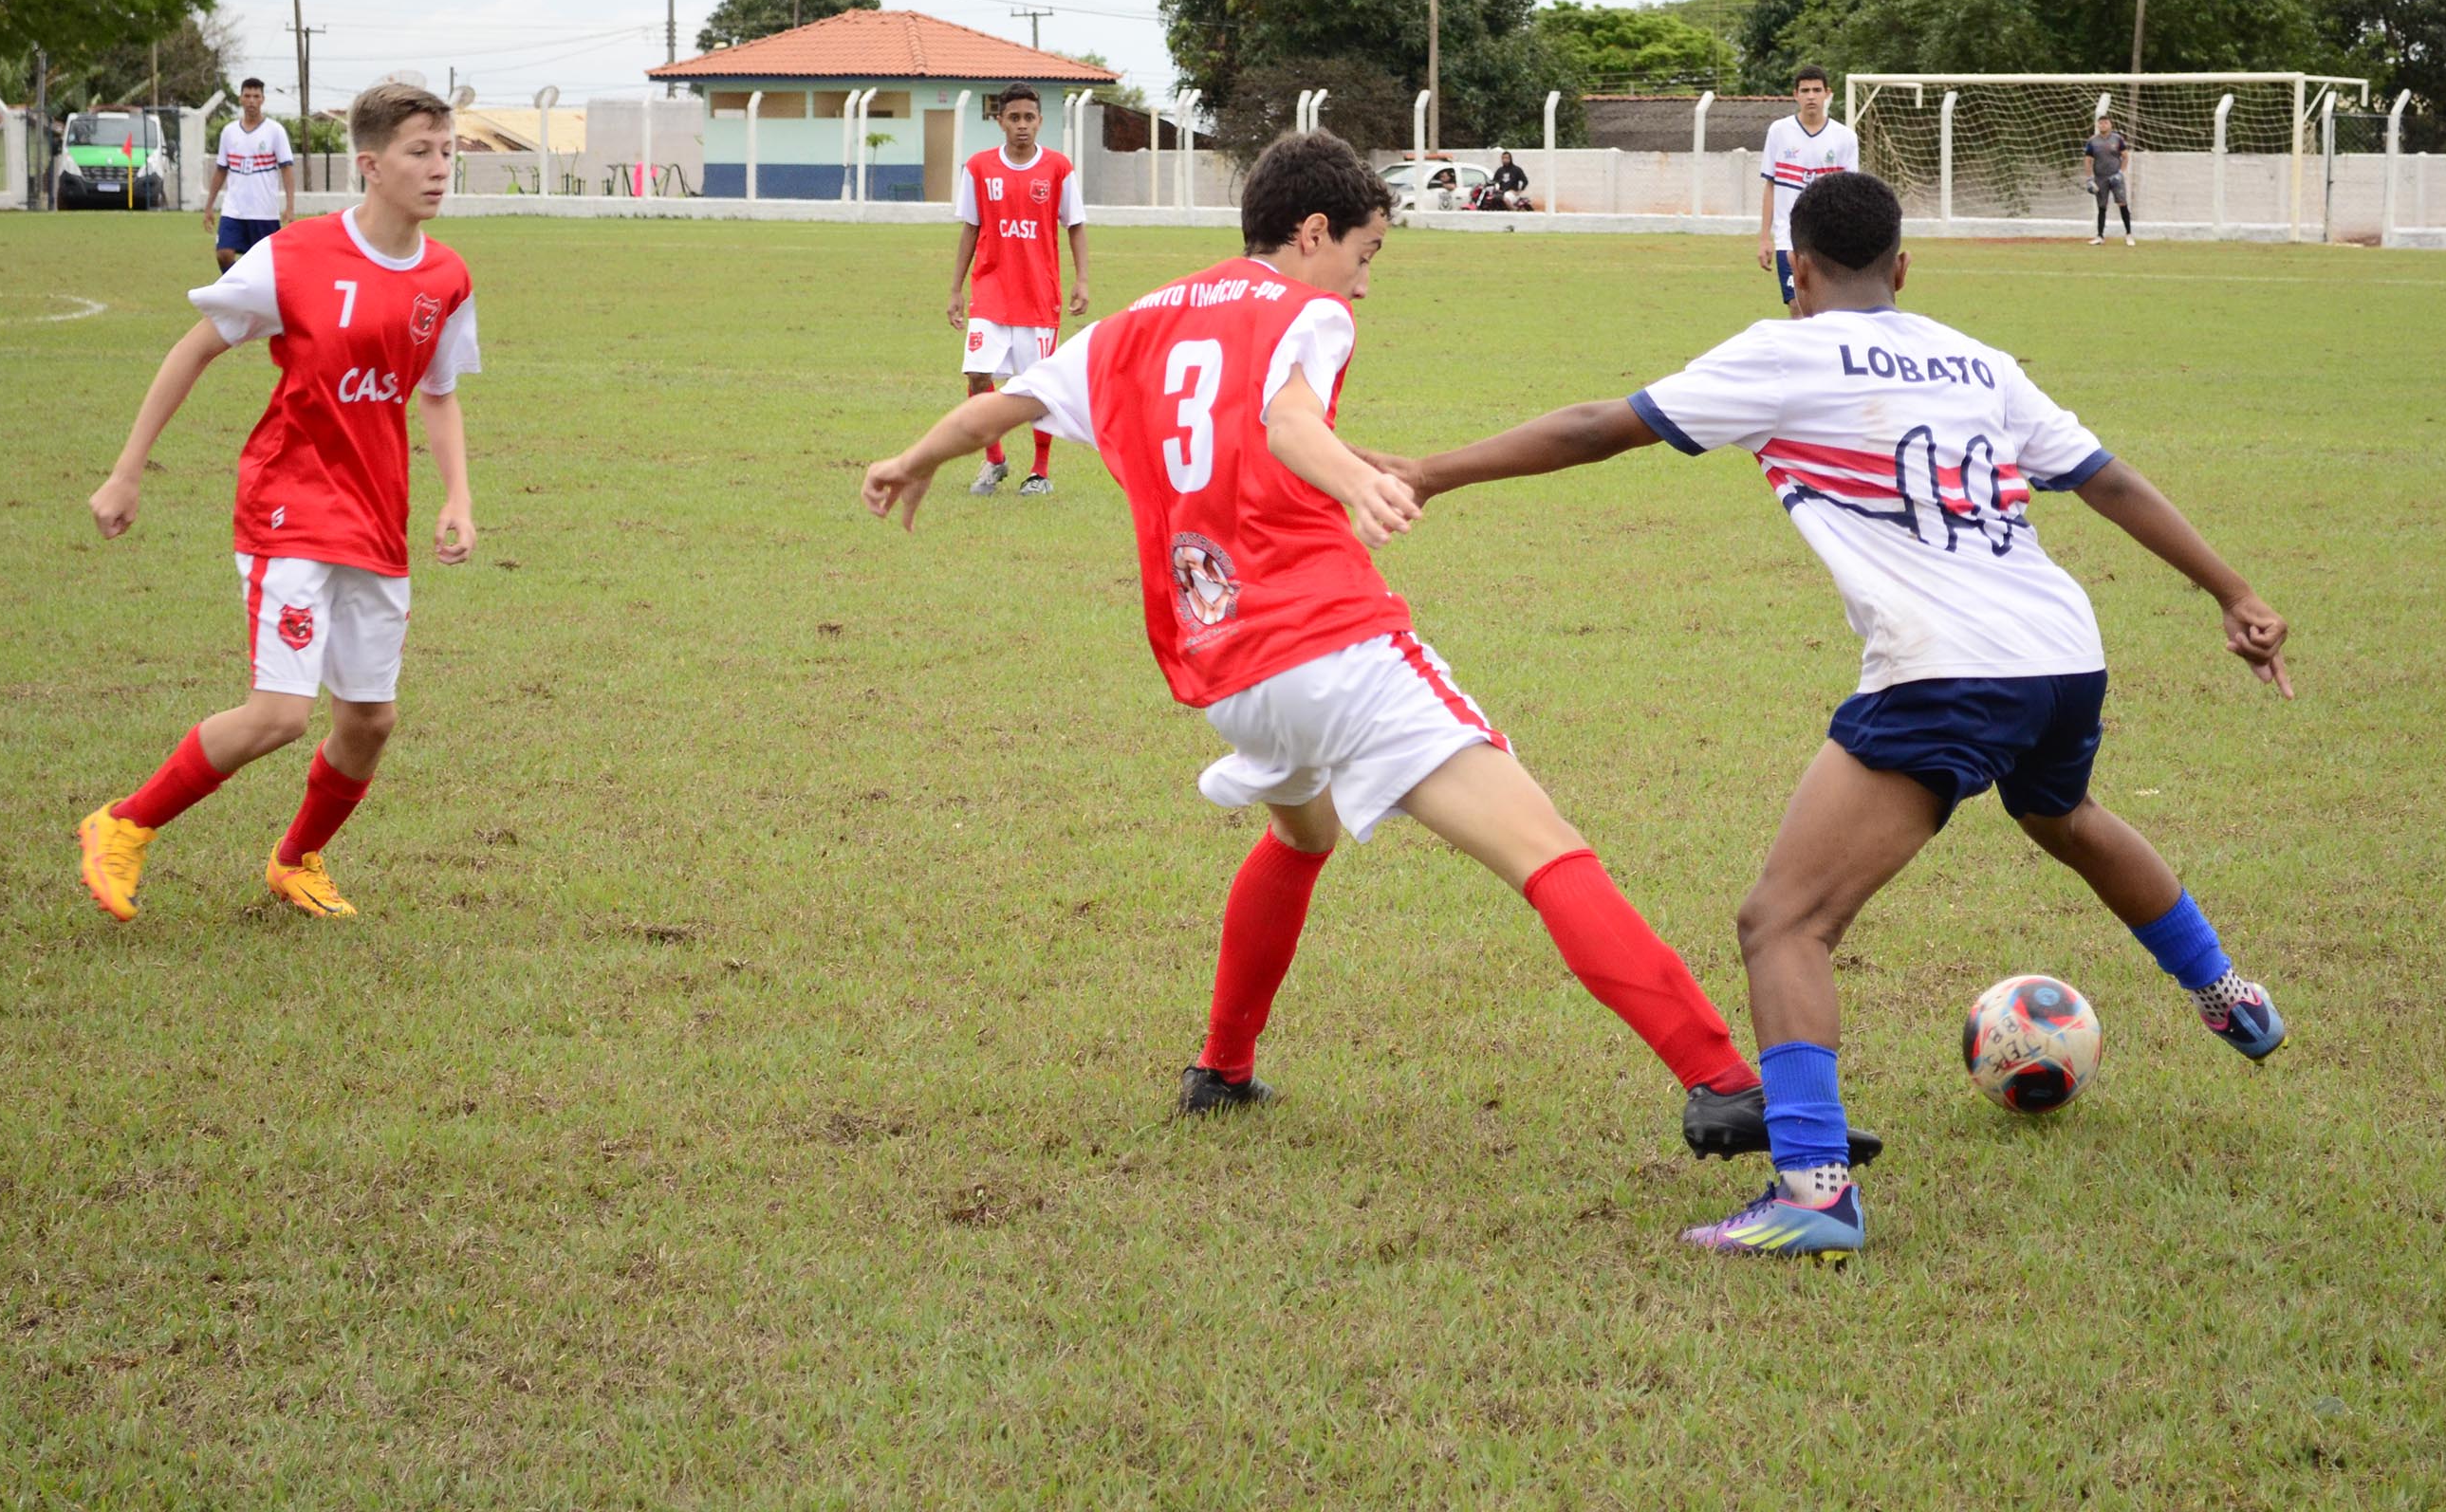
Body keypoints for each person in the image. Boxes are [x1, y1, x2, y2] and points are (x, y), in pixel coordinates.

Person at [865, 130, 1880, 1170]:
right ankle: (1721, 1079)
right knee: (1546, 847)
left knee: (1300, 835)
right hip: (1332, 647)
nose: (1363, 280)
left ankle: (1220, 1067)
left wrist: (914, 456)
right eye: (1366, 253)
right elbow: (1287, 415)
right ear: (1313, 233)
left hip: (1226, 665)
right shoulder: (1309, 311)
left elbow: (1009, 400)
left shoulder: (1138, 321)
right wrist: (1352, 479)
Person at [1399, 170, 2290, 1261]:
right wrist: (2234, 591)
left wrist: (1431, 472)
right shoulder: (1977, 358)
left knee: (1784, 921)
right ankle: (2229, 991)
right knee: (2064, 815)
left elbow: (1600, 425)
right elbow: (2109, 482)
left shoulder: (1785, 349)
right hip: (2064, 653)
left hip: (1943, 673)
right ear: (1904, 269)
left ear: (1795, 269)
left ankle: (1815, 1191)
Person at [74, 82, 480, 923]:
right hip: (289, 508)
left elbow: (437, 392)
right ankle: (121, 825)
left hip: (376, 520)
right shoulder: (293, 256)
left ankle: (296, 860)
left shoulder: (446, 275)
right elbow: (193, 349)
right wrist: (127, 469)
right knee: (280, 715)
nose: (439, 170)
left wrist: (457, 497)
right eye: (419, 153)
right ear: (369, 166)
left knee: (370, 721)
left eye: (446, 152)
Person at [949, 82, 1087, 497]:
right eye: (1014, 118)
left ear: (1040, 121)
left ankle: (1039, 471)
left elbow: (1075, 225)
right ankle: (994, 461)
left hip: (1038, 297)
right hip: (990, 291)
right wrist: (955, 288)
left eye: (1029, 117)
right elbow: (970, 229)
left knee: (1037, 388)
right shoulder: (978, 168)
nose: (1022, 125)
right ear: (1000, 122)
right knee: (977, 375)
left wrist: (1082, 279)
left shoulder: (1058, 168)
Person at [1756, 65, 1857, 307]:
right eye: (1805, 90)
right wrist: (1764, 239)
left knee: (1828, 309)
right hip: (1789, 239)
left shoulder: (1845, 137)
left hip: (1829, 239)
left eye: (1816, 90)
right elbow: (1771, 186)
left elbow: (1850, 195)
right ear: (1795, 95)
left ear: (1827, 93)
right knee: (1797, 308)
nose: (1811, 95)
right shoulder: (1779, 132)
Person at [205, 77, 298, 273]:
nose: (252, 101)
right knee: (223, 253)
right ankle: (237, 289)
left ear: (263, 99)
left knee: (264, 265)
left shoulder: (275, 131)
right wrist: (209, 207)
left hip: (264, 211)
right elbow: (221, 169)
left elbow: (287, 169)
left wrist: (290, 207)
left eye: (256, 96)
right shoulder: (229, 132)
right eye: (247, 96)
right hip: (234, 209)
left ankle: (253, 295)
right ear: (240, 99)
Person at [2082, 113, 2134, 245]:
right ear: (2097, 125)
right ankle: (2100, 236)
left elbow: (2125, 156)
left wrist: (2120, 173)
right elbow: (2088, 160)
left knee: (2122, 203)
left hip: (2116, 177)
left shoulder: (2117, 139)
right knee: (2102, 206)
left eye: (2106, 123)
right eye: (2101, 123)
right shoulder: (2092, 141)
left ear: (2110, 125)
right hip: (2100, 178)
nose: (2103, 125)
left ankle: (2128, 234)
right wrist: (2089, 178)